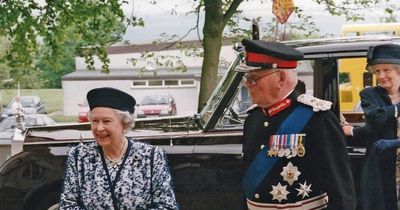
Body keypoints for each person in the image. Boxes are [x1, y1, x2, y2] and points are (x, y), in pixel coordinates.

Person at [239, 39, 356, 210]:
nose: (247, 84)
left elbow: (342, 192)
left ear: (280, 78)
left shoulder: (317, 119)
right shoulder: (253, 118)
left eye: (254, 78)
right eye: (246, 78)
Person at [59, 87, 178, 210]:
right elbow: (68, 205)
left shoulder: (151, 156)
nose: (99, 128)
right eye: (95, 121)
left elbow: (167, 206)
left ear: (124, 124)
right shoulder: (79, 157)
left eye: (106, 121)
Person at [357, 44, 400, 210]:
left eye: (386, 70)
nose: (381, 76)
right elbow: (376, 120)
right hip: (380, 166)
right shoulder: (370, 94)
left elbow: (382, 115)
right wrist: (397, 108)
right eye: (377, 71)